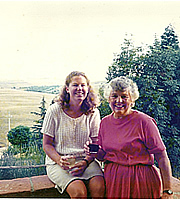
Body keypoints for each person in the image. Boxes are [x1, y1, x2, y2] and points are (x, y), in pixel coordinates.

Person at [85, 76, 173, 198]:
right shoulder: (105, 123)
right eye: (114, 96)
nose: (119, 100)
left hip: (141, 182)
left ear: (132, 100)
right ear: (108, 99)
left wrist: (167, 190)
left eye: (124, 96)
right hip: (114, 181)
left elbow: (162, 157)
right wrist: (93, 151)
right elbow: (104, 156)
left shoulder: (144, 122)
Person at [42, 71, 105, 198]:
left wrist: (86, 161)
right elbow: (47, 144)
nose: (79, 89)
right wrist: (60, 160)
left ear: (88, 88)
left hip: (86, 161)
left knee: (99, 188)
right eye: (75, 85)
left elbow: (95, 144)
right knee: (79, 192)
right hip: (60, 162)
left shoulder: (93, 112)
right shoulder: (55, 110)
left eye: (83, 85)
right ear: (67, 88)